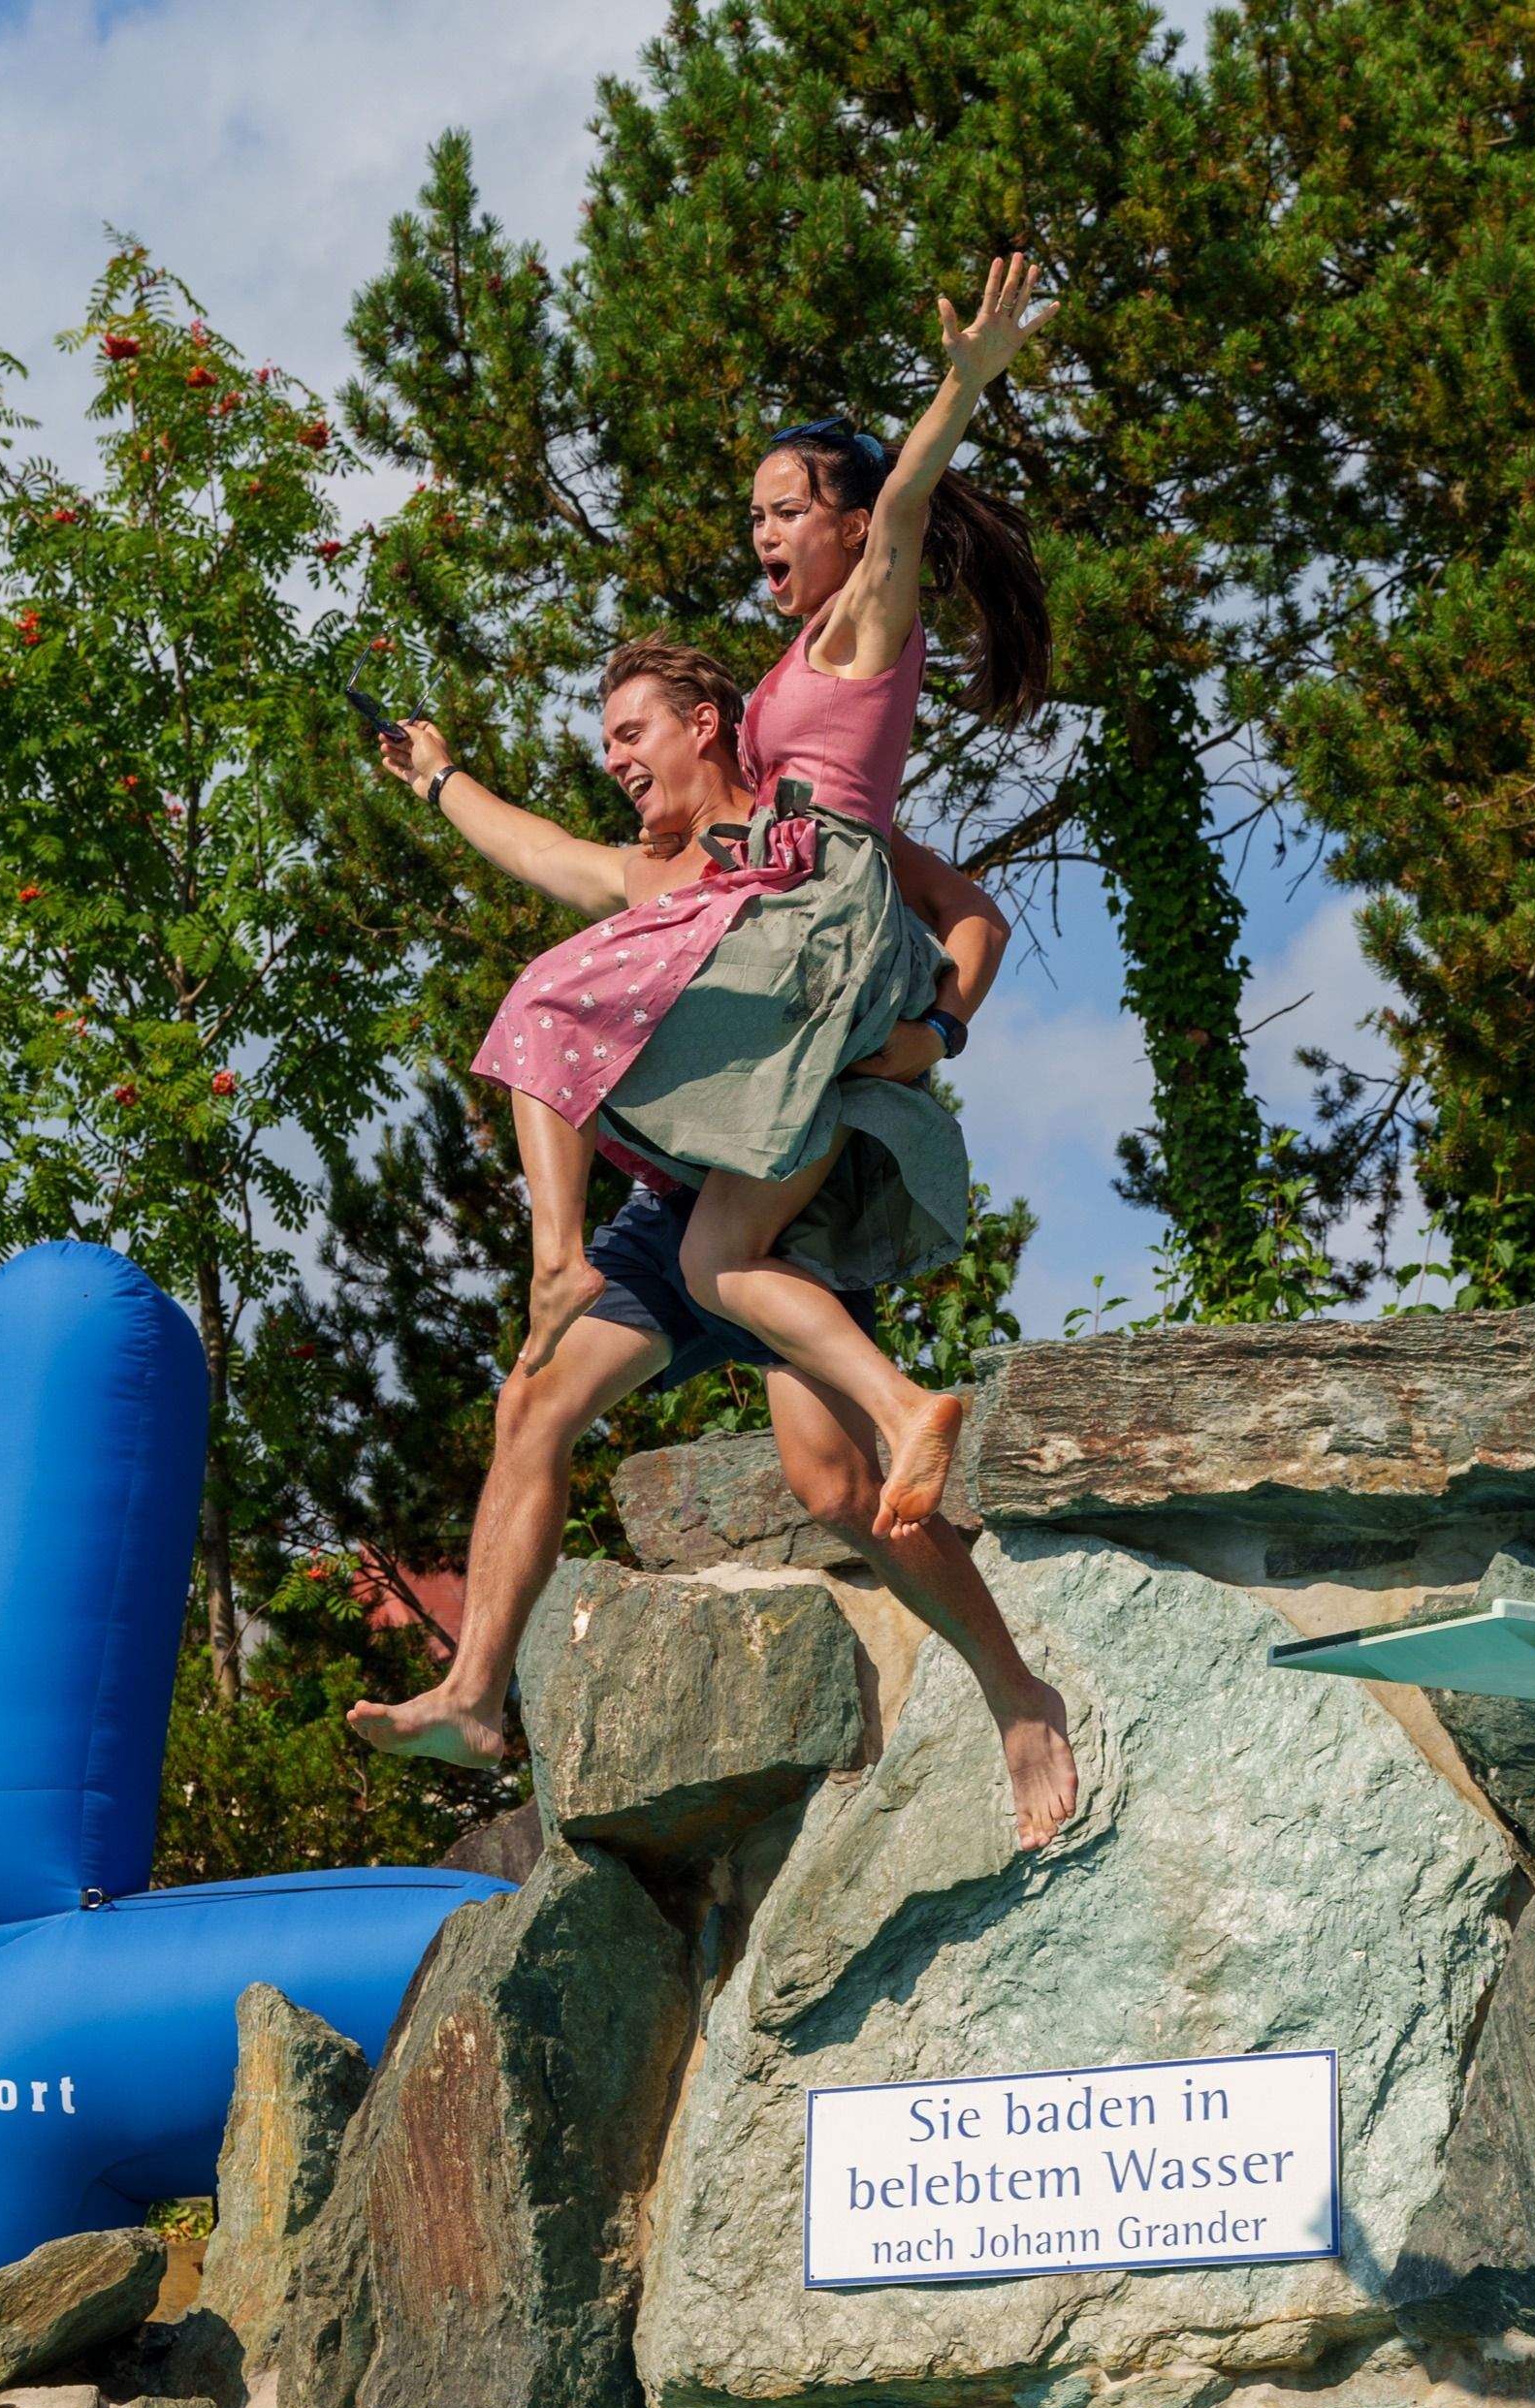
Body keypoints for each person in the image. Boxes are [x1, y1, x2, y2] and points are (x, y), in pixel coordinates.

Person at [346, 640, 1080, 1853]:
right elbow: (544, 855)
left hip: (796, 1187)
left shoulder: (809, 824)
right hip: (681, 1202)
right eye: (607, 746)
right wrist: (437, 779)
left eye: (633, 735)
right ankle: (476, 1695)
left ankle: (1016, 1690)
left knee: (840, 1490)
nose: (615, 761)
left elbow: (971, 915)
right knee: (530, 1402)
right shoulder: (654, 877)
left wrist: (939, 1029)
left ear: (706, 723)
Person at [470, 256, 1054, 1526]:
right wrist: (439, 779)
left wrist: (957, 392)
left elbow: (901, 509)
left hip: (814, 926)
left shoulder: (860, 628)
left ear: (845, 525)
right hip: (791, 915)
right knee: (712, 1254)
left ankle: (562, 1262)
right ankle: (904, 1410)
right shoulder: (797, 666)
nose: (765, 535)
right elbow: (550, 854)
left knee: (554, 1002)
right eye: (755, 519)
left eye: (787, 509)